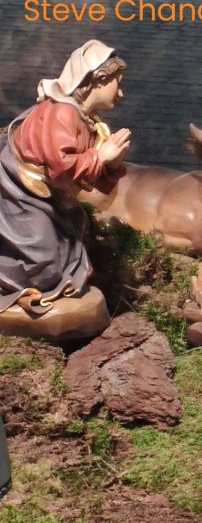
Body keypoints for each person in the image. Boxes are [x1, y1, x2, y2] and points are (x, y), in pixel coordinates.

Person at [0, 40, 130, 317]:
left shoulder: (89, 122)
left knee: (65, 255)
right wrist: (101, 157)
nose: (120, 93)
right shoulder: (62, 113)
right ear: (98, 80)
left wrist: (111, 164)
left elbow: (94, 183)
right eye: (116, 84)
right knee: (42, 266)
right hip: (18, 191)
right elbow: (61, 169)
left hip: (50, 198)